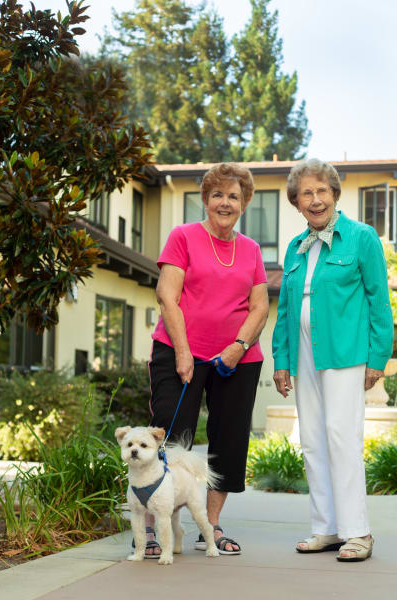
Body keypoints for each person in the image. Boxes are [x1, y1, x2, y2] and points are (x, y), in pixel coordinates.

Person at [143, 162, 269, 557]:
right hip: (181, 351)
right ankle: (154, 530)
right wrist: (183, 351)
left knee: (229, 442)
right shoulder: (183, 236)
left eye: (234, 196)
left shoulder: (250, 250)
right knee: (168, 435)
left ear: (245, 202)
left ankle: (210, 526)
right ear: (205, 199)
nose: (225, 203)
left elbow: (260, 306)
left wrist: (239, 345)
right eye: (217, 195)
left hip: (238, 358)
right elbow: (168, 295)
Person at [272, 158, 394, 562]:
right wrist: (281, 360)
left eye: (322, 190)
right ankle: (326, 528)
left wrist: (379, 356)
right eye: (306, 193)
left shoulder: (361, 238)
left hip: (344, 350)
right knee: (312, 440)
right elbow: (287, 310)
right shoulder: (294, 247)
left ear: (335, 195)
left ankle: (357, 532)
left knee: (341, 435)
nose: (315, 199)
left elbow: (380, 300)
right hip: (304, 349)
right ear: (296, 202)